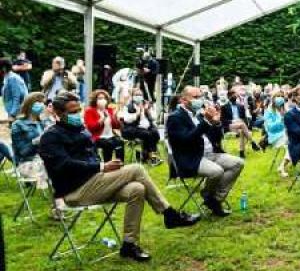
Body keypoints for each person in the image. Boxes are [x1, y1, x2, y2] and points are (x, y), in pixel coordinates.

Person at [39, 91, 199, 262]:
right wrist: (101, 167)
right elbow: (64, 165)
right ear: (57, 113)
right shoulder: (50, 136)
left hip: (96, 182)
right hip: (74, 191)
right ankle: (169, 214)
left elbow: (91, 155)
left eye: (78, 110)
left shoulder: (80, 130)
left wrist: (103, 169)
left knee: (137, 189)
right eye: (71, 112)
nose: (77, 114)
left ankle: (129, 245)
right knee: (137, 169)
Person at [166, 86, 244, 216]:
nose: (199, 100)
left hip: (209, 154)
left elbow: (215, 137)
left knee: (238, 163)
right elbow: (186, 140)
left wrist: (216, 123)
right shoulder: (175, 117)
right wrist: (206, 122)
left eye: (200, 97)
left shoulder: (199, 114)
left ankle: (214, 199)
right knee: (217, 171)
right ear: (184, 100)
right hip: (191, 158)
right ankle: (208, 195)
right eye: (195, 97)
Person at [11, 92, 49, 189]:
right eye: (39, 102)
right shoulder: (17, 125)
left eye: (42, 103)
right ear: (30, 104)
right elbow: (23, 152)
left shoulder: (42, 123)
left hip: (43, 160)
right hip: (26, 163)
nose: (42, 105)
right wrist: (36, 141)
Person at [121, 88, 162, 166]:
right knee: (146, 134)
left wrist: (147, 110)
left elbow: (154, 117)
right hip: (132, 128)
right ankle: (151, 157)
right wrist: (138, 113)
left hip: (146, 127)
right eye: (136, 95)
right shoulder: (128, 106)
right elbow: (127, 119)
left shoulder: (147, 104)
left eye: (140, 95)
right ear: (132, 96)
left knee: (155, 133)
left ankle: (148, 156)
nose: (139, 96)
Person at [262, 90, 292, 177]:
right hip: (275, 136)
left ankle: (282, 166)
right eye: (277, 97)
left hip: (286, 134)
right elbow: (270, 128)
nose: (280, 98)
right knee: (291, 144)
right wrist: (281, 119)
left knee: (295, 141)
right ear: (273, 99)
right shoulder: (269, 111)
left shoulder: (285, 109)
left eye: (281, 96)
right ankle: (282, 166)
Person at [220, 89, 259, 158]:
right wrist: (233, 121)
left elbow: (244, 119)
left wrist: (246, 126)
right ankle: (253, 142)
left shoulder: (240, 106)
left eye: (235, 95)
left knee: (242, 131)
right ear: (229, 97)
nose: (235, 96)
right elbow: (222, 120)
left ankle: (241, 152)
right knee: (241, 125)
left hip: (241, 126)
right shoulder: (224, 107)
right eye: (233, 95)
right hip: (230, 126)